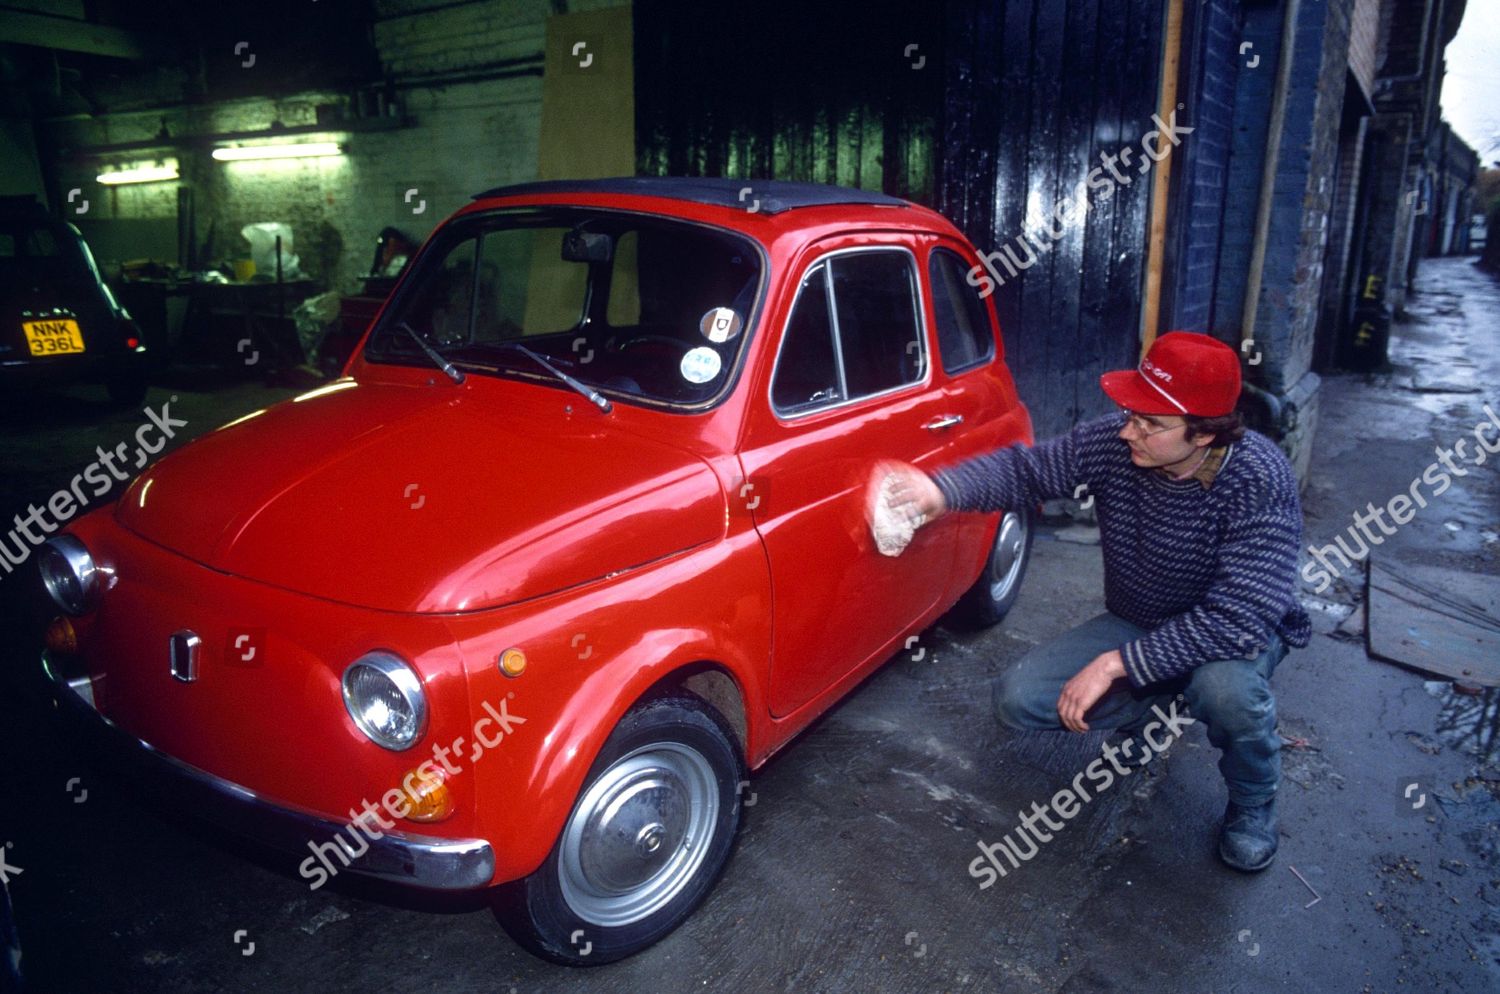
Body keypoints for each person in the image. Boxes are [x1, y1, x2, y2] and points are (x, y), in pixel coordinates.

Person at [883, 331, 1310, 871]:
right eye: (1131, 412)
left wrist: (1116, 664)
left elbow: (1239, 619)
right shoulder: (1119, 442)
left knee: (1223, 689)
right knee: (1020, 698)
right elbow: (1027, 470)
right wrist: (940, 492)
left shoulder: (1259, 478)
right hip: (1143, 620)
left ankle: (1253, 801)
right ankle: (1156, 711)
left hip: (1231, 638)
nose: (1129, 429)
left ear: (1203, 436)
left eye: (1151, 424)